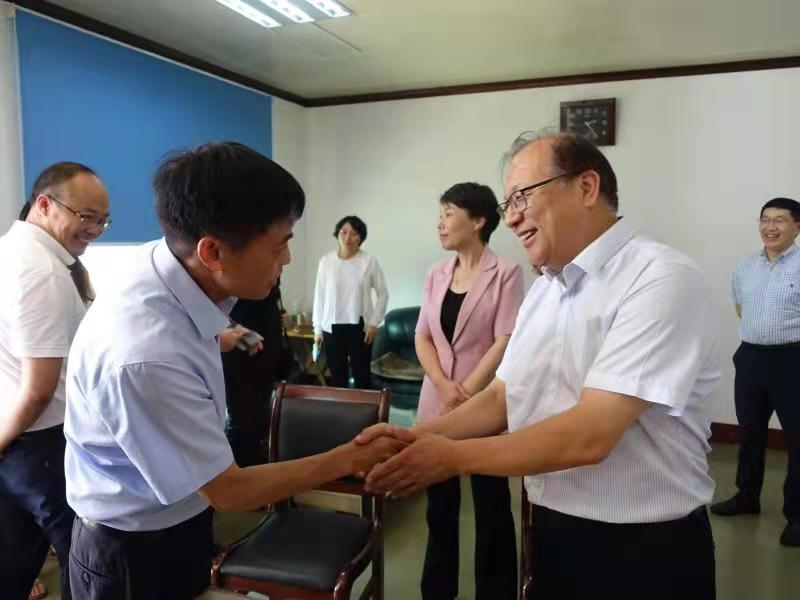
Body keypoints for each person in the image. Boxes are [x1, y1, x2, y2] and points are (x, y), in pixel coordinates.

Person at [357, 131, 720, 600]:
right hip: (551, 527)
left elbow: (591, 433)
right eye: (508, 203)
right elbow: (502, 397)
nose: (511, 217)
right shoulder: (547, 290)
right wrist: (414, 438)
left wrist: (449, 457)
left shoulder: (659, 277)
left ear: (586, 187)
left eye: (522, 197)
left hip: (643, 546)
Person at [64, 142, 404, 600]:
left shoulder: (163, 263)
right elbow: (228, 490)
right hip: (133, 553)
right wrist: (347, 459)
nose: (287, 259)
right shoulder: (147, 356)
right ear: (213, 251)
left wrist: (224, 334)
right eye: (280, 244)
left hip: (174, 523)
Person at [0, 162, 110, 600]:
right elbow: (39, 388)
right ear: (44, 205)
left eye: (103, 220)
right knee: (84, 562)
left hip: (20, 440)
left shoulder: (12, 251)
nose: (95, 229)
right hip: (41, 443)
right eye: (86, 217)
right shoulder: (40, 270)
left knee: (13, 562)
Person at [415, 182, 522, 600]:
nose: (440, 223)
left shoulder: (506, 273)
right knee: (439, 508)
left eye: (449, 214)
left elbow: (505, 339)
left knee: (491, 505)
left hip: (483, 404)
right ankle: (437, 592)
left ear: (478, 221)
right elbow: (423, 336)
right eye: (440, 214)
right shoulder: (435, 274)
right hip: (436, 401)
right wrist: (444, 386)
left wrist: (466, 392)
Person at [711, 197, 800, 547]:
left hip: (792, 359)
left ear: (797, 227)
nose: (770, 227)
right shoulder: (746, 264)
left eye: (780, 220)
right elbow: (740, 307)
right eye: (765, 219)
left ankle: (797, 516)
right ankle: (747, 496)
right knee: (749, 432)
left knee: (797, 438)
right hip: (751, 357)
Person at [221, 280, 298, 467]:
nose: (283, 265)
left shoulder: (267, 284)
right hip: (240, 343)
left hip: (266, 343)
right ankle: (240, 472)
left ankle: (255, 465)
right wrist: (228, 327)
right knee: (242, 419)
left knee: (261, 417)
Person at [312, 216, 388, 389]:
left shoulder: (369, 261)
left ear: (361, 237)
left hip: (361, 328)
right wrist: (317, 329)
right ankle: (340, 407)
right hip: (331, 327)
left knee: (362, 378)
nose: (348, 237)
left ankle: (365, 407)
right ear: (337, 234)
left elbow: (383, 293)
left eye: (354, 233)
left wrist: (374, 322)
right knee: (337, 379)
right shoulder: (326, 262)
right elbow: (320, 296)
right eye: (344, 232)